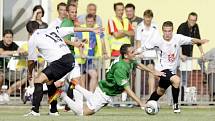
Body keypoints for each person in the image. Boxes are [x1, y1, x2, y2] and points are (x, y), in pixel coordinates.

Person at [50, 44, 165, 116]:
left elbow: (138, 65)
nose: (135, 53)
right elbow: (127, 89)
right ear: (126, 55)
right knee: (82, 113)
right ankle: (62, 94)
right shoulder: (121, 68)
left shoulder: (127, 59)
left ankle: (76, 86)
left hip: (105, 88)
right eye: (132, 52)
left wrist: (153, 71)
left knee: (92, 99)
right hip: (106, 92)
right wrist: (140, 102)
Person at [24, 21, 102, 116]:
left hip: (60, 61)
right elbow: (73, 29)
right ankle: (53, 111)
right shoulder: (51, 29)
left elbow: (31, 61)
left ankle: (35, 111)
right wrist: (91, 29)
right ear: (38, 26)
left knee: (38, 81)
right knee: (50, 83)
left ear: (28, 31)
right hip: (70, 58)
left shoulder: (33, 38)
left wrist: (29, 73)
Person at [136, 21, 208, 113]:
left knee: (160, 91)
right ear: (163, 31)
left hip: (172, 70)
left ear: (172, 31)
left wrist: (201, 41)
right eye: (165, 31)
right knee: (176, 80)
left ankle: (148, 104)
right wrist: (135, 52)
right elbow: (144, 47)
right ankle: (176, 105)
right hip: (162, 70)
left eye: (169, 31)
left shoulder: (177, 38)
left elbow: (191, 40)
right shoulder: (158, 40)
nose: (167, 33)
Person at [177, 12, 205, 101]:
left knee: (185, 79)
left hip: (188, 57)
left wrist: (202, 53)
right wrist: (181, 54)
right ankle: (176, 98)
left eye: (194, 20)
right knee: (177, 77)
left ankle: (182, 99)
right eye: (191, 20)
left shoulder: (195, 27)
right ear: (188, 19)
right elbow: (178, 41)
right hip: (179, 56)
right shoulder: (182, 27)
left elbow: (198, 41)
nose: (192, 22)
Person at [75, 14, 104, 92]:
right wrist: (81, 54)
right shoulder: (81, 29)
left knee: (94, 75)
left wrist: (104, 52)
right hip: (81, 59)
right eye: (88, 21)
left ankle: (91, 94)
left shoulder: (97, 29)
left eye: (91, 21)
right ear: (85, 21)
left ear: (94, 21)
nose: (89, 23)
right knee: (82, 78)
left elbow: (102, 41)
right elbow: (79, 42)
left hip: (90, 58)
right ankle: (83, 96)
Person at [135, 9, 159, 95]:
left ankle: (151, 96)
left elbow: (157, 40)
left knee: (151, 73)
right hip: (141, 54)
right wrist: (139, 53)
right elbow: (138, 41)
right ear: (144, 17)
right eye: (146, 17)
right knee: (138, 75)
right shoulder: (140, 27)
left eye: (149, 17)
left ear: (151, 18)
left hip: (151, 54)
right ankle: (137, 96)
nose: (148, 19)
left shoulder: (155, 26)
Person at [0, 29, 26, 102]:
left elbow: (22, 51)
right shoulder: (0, 44)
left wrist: (23, 52)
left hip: (6, 71)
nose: (9, 39)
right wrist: (15, 52)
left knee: (25, 76)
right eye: (7, 37)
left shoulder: (13, 44)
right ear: (3, 38)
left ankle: (7, 94)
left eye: (10, 37)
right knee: (0, 75)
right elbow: (2, 53)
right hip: (1, 71)